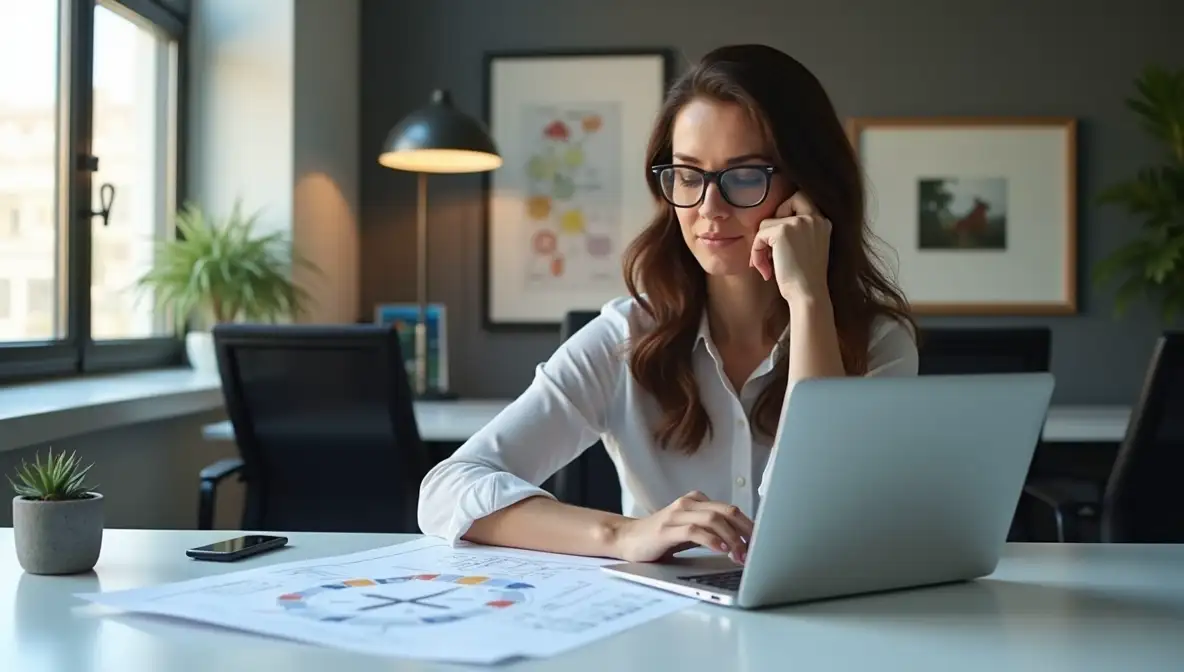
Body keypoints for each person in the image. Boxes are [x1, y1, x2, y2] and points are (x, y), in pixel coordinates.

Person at [418, 44, 918, 565]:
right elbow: (447, 489)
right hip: (661, 631)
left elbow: (818, 517)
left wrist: (809, 297)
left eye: (745, 175)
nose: (709, 208)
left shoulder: (880, 343)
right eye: (688, 174)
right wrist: (625, 535)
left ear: (807, 188)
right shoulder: (627, 335)